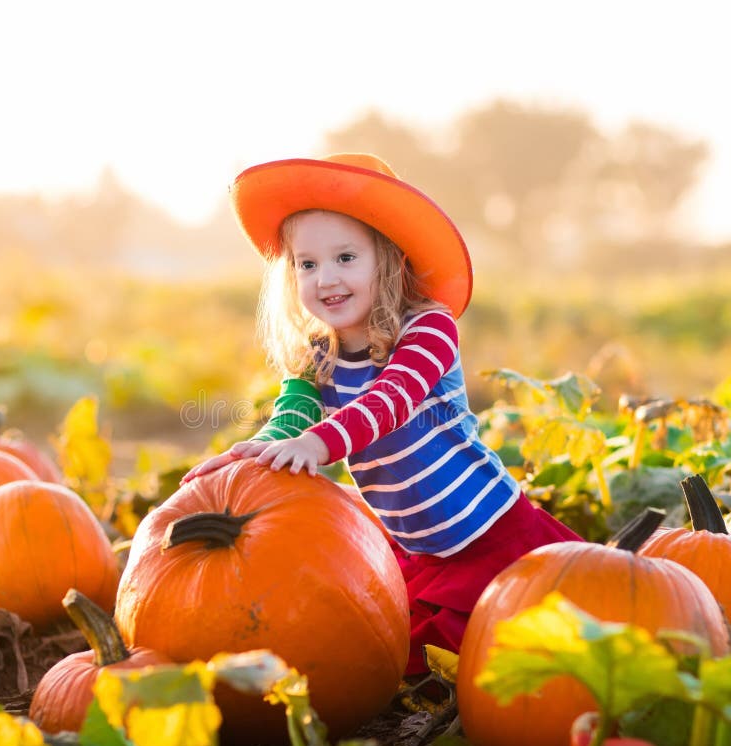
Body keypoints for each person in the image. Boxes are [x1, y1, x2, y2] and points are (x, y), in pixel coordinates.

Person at [181, 153, 582, 674]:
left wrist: (317, 445)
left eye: (345, 257)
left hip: (491, 536)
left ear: (386, 259)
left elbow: (389, 401)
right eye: (308, 263)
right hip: (419, 551)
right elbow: (292, 416)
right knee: (389, 651)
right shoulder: (316, 354)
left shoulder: (429, 331)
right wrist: (259, 453)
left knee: (525, 640)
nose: (326, 278)